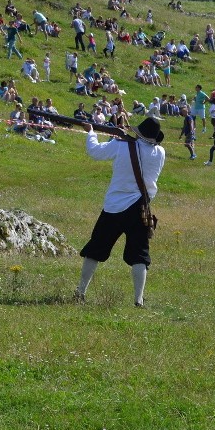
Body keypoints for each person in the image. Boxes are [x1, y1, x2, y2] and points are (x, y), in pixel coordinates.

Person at [74, 118, 166, 306]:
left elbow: (95, 152)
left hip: (115, 207)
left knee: (95, 249)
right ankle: (138, 299)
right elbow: (138, 146)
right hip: (141, 208)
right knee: (140, 255)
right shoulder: (160, 153)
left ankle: (80, 292)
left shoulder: (121, 145)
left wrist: (91, 132)